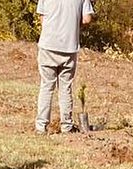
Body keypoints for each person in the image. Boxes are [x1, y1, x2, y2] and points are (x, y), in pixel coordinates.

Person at [35, 0, 93, 134]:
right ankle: (66, 125)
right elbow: (87, 19)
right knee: (65, 87)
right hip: (69, 47)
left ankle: (41, 126)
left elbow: (42, 18)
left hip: (48, 45)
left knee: (46, 86)